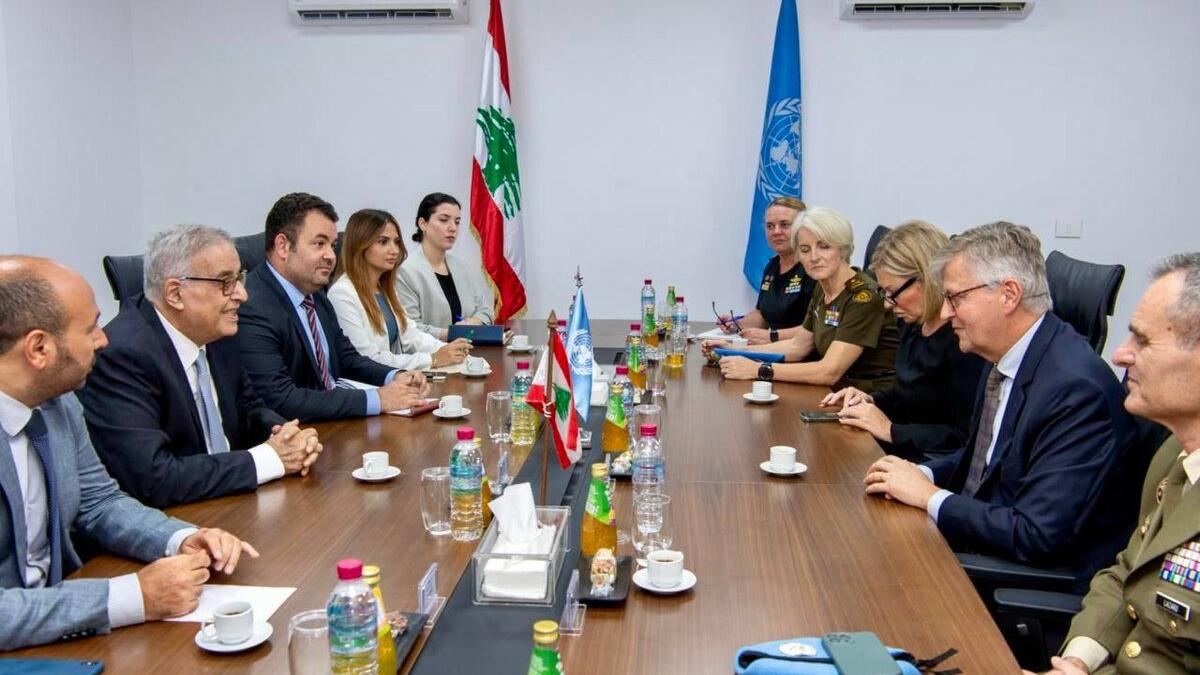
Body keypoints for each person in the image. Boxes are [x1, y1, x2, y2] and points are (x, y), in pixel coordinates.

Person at [0, 256, 258, 650]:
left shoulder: (58, 404)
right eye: (89, 330)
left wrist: (181, 538)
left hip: (64, 634)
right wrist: (131, 597)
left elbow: (99, 501)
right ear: (38, 348)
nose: (104, 339)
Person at [863, 222, 1137, 591]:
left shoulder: (1074, 390)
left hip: (1019, 584)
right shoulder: (1009, 357)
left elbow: (1035, 534)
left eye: (955, 298)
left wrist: (930, 497)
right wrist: (920, 474)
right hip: (983, 548)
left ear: (1008, 295)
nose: (944, 313)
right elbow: (985, 461)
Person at [1027, 253, 1200, 675]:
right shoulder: (1172, 455)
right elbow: (1128, 572)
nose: (1120, 355)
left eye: (1142, 341)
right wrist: (1076, 661)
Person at [78, 225, 323, 508]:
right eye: (225, 283)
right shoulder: (122, 356)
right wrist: (270, 459)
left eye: (239, 278)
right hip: (175, 523)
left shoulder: (217, 331)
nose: (242, 295)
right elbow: (152, 478)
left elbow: (248, 410)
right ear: (175, 293)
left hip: (226, 503)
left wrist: (285, 435)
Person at [237, 192, 429, 422]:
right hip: (299, 435)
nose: (331, 255)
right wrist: (379, 399)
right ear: (283, 246)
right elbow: (280, 398)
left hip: (334, 421)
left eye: (332, 245)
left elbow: (347, 358)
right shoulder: (253, 305)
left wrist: (395, 377)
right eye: (319, 244)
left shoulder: (315, 294)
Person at [821, 221, 986, 460]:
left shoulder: (963, 340)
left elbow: (963, 437)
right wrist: (869, 400)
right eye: (883, 292)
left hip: (929, 466)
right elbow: (906, 396)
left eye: (893, 292)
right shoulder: (912, 322)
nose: (888, 303)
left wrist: (890, 431)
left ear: (929, 278)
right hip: (898, 453)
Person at [703, 206, 900, 393]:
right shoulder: (822, 289)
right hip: (837, 390)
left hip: (869, 395)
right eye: (805, 250)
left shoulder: (862, 297)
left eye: (824, 247)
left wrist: (757, 369)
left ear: (843, 249)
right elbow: (797, 347)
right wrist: (735, 350)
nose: (814, 257)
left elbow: (829, 371)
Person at [328, 208, 473, 371]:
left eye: (396, 242)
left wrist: (447, 349)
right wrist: (433, 358)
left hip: (395, 380)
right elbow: (367, 359)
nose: (394, 250)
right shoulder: (342, 294)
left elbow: (410, 334)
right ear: (360, 245)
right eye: (383, 242)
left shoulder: (384, 288)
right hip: (369, 386)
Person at [718, 196, 816, 345]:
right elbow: (762, 315)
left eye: (784, 225)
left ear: (802, 228)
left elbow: (816, 327)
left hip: (801, 352)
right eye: (770, 226)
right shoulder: (772, 266)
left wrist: (772, 336)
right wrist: (736, 324)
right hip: (771, 347)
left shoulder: (813, 267)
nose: (776, 232)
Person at [396, 193, 495, 340]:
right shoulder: (406, 272)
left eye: (457, 222)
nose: (453, 228)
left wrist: (468, 324)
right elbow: (411, 329)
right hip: (432, 357)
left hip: (470, 352)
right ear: (422, 224)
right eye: (444, 220)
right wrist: (454, 334)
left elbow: (486, 311)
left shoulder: (461, 267)